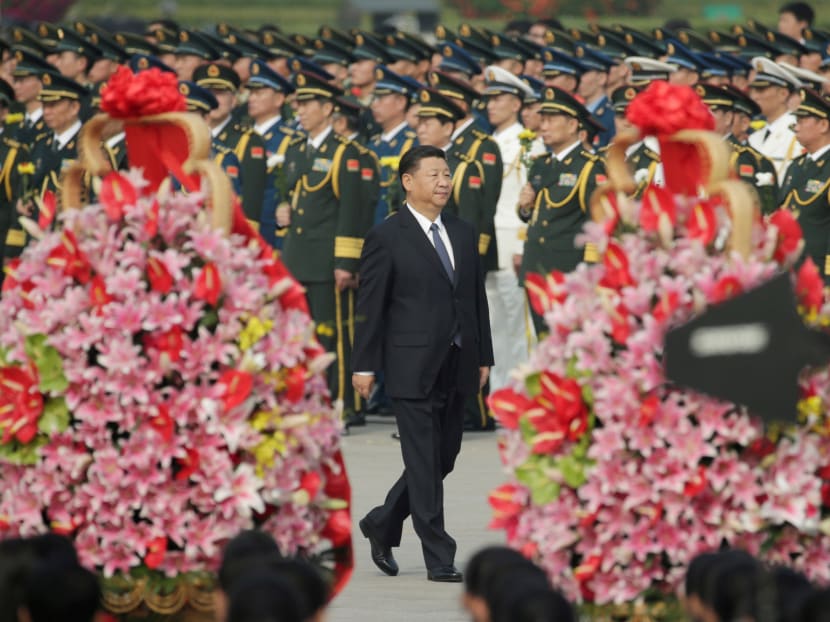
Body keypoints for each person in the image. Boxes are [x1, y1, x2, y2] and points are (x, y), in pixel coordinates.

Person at [352, 145, 494, 582]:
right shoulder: (387, 235)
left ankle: (382, 521)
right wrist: (363, 364)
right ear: (407, 182)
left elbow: (475, 299)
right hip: (410, 364)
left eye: (446, 174)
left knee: (442, 457)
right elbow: (371, 306)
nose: (443, 182)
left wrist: (483, 354)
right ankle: (439, 555)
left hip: (457, 360)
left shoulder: (463, 231)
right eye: (433, 174)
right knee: (423, 460)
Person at [280, 71, 374, 424]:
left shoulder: (345, 154)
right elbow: (296, 199)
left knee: (335, 334)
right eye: (299, 104)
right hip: (298, 256)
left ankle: (344, 404)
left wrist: (347, 261)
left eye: (307, 105)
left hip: (327, 260)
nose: (301, 111)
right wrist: (282, 214)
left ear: (327, 108)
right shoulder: (295, 149)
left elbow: (353, 211)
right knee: (302, 335)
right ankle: (309, 399)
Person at [517, 85, 607, 336]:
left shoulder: (590, 167)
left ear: (572, 125)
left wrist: (589, 270)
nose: (543, 125)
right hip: (537, 268)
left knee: (569, 344)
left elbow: (597, 223)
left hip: (568, 271)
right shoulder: (541, 164)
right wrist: (525, 208)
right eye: (542, 119)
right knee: (543, 341)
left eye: (551, 119)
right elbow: (534, 216)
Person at [779, 88, 830, 281]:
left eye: (801, 121)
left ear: (823, 125)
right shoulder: (796, 165)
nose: (796, 127)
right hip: (791, 268)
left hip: (818, 272)